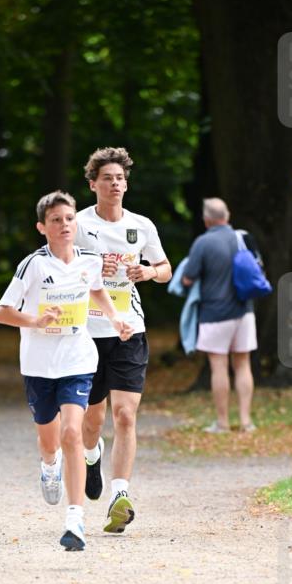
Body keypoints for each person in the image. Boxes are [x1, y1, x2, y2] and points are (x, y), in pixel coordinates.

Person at [0, 190, 133, 551]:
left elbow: (98, 291)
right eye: (55, 220)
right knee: (49, 438)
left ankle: (75, 520)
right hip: (39, 364)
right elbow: (2, 312)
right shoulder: (33, 266)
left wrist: (117, 320)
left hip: (77, 359)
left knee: (73, 432)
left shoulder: (89, 260)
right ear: (42, 227)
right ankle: (48, 464)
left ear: (76, 222)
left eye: (69, 219)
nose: (64, 225)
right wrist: (36, 320)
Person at [74, 147, 172, 534]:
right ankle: (91, 455)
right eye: (107, 178)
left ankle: (120, 495)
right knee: (92, 419)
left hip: (130, 329)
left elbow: (165, 269)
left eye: (120, 178)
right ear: (93, 184)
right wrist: (96, 268)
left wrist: (146, 272)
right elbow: (62, 266)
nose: (115, 184)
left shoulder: (142, 226)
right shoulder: (78, 224)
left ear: (126, 184)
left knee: (125, 414)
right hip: (87, 332)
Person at [182, 197, 260, 433]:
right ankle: (246, 421)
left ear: (206, 220)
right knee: (243, 364)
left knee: (219, 367)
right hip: (244, 311)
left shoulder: (202, 243)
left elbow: (187, 278)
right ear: (227, 216)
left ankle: (223, 422)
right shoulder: (244, 238)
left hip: (214, 313)